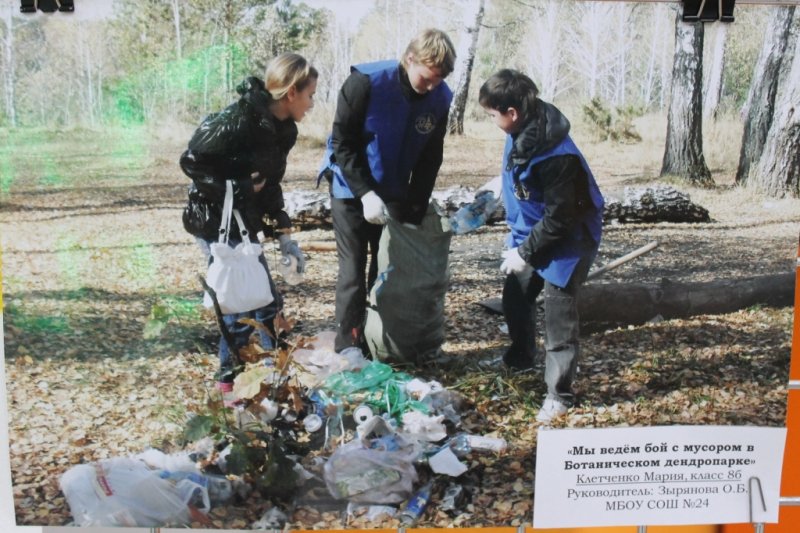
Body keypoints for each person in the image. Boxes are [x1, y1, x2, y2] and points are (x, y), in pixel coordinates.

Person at [180, 52, 317, 394]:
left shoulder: (284, 130)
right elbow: (191, 161)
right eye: (310, 95)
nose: (312, 103)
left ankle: (274, 380)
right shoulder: (239, 118)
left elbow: (269, 183)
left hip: (244, 220)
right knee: (239, 305)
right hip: (214, 221)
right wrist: (239, 187)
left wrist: (285, 235)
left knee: (264, 303)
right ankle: (230, 390)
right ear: (290, 94)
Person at [318, 28, 457, 354]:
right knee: (352, 271)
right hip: (350, 189)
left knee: (386, 271)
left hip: (395, 190)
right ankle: (348, 347)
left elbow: (429, 157)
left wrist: (415, 209)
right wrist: (365, 193)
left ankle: (377, 343)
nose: (432, 85)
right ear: (410, 59)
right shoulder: (365, 83)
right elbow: (342, 143)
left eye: (439, 79)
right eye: (428, 77)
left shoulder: (440, 97)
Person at [477, 69, 604, 424]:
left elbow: (561, 218)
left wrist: (524, 253)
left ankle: (559, 394)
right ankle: (519, 359)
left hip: (569, 240)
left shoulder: (557, 156)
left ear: (512, 112)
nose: (491, 120)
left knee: (558, 318)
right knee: (516, 298)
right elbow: (517, 165)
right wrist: (500, 183)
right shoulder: (520, 128)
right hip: (532, 231)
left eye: (492, 114)